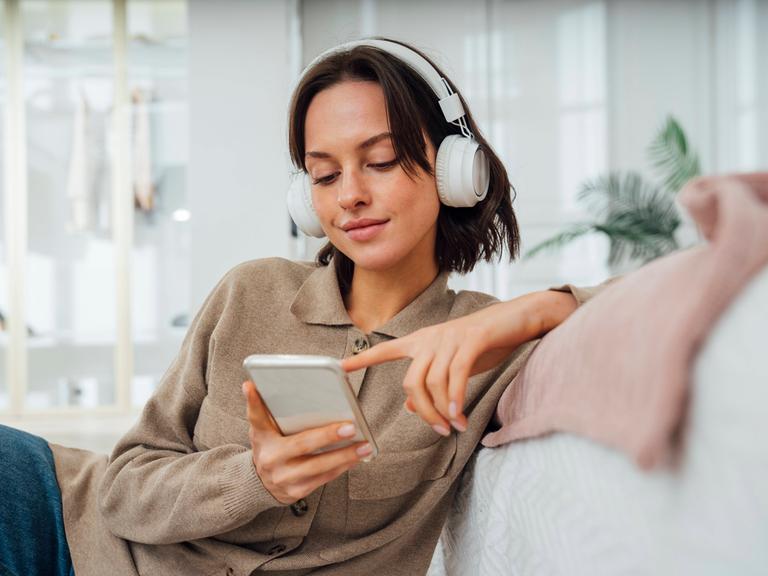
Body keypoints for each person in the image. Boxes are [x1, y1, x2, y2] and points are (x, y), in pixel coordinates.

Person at [0, 38, 602, 576]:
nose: (350, 196)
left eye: (381, 161)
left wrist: (535, 310)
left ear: (453, 170)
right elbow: (122, 490)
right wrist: (253, 477)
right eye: (324, 174)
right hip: (66, 531)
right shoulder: (250, 291)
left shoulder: (483, 345)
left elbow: (656, 304)